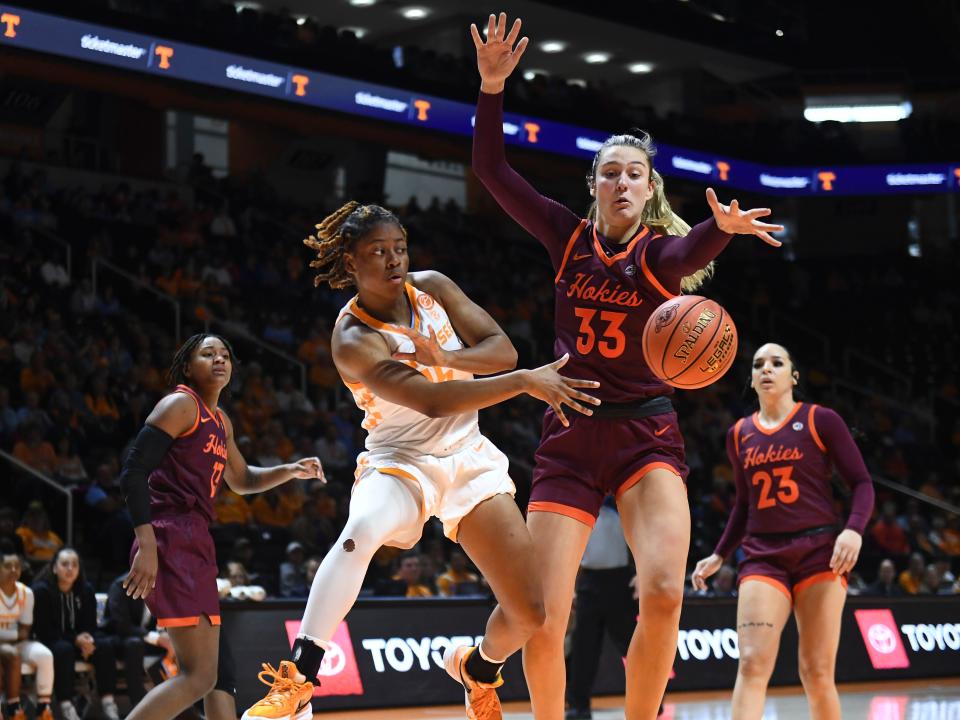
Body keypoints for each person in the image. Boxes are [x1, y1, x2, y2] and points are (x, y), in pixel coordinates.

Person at [470, 13, 783, 719]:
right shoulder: (565, 235)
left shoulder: (658, 255)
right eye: (608, 171)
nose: (619, 182)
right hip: (571, 435)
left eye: (632, 174)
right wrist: (492, 91)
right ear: (593, 183)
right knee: (546, 617)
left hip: (646, 435)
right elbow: (491, 170)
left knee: (666, 592)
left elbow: (687, 255)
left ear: (648, 191)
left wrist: (718, 232)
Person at [242, 201, 600, 720]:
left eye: (399, 248)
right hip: (400, 460)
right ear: (350, 263)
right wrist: (523, 385)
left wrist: (450, 358)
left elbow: (502, 352)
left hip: (468, 456)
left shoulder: (432, 286)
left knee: (531, 612)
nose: (393, 261)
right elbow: (432, 400)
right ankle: (300, 678)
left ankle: (477, 669)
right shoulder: (354, 339)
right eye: (377, 252)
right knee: (361, 528)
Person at [117, 333, 323, 720]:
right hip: (168, 533)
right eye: (207, 353)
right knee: (198, 678)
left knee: (210, 675)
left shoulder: (221, 422)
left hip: (196, 538)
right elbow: (133, 471)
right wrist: (146, 544)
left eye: (225, 355)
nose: (219, 360)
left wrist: (290, 470)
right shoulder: (181, 405)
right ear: (187, 366)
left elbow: (243, 480)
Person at [692, 343, 875, 720]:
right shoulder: (739, 433)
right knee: (752, 664)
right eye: (759, 364)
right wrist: (720, 554)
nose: (767, 369)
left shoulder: (820, 420)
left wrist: (853, 530)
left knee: (816, 671)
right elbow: (744, 506)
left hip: (820, 552)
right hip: (763, 557)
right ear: (752, 380)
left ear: (793, 376)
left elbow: (862, 483)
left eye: (777, 362)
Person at [565, 499, 636, 720]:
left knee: (633, 647)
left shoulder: (624, 506)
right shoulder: (581, 508)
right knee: (583, 650)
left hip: (621, 582)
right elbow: (570, 553)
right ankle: (579, 706)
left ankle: (652, 699)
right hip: (589, 581)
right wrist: (571, 587)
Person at [31, 547, 119, 720]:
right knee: (64, 650)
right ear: (54, 568)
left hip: (77, 640)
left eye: (74, 565)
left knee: (104, 646)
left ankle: (108, 701)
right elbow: (44, 631)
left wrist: (87, 639)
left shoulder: (85, 590)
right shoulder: (41, 591)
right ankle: (66, 703)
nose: (70, 568)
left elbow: (90, 625)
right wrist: (76, 640)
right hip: (50, 640)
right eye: (65, 564)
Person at [0, 542, 54, 720]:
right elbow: (19, 632)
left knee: (45, 655)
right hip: (8, 646)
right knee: (10, 653)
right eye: (8, 566)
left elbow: (25, 632)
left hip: (17, 643)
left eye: (17, 566)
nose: (14, 570)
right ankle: (14, 708)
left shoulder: (27, 593)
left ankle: (43, 709)